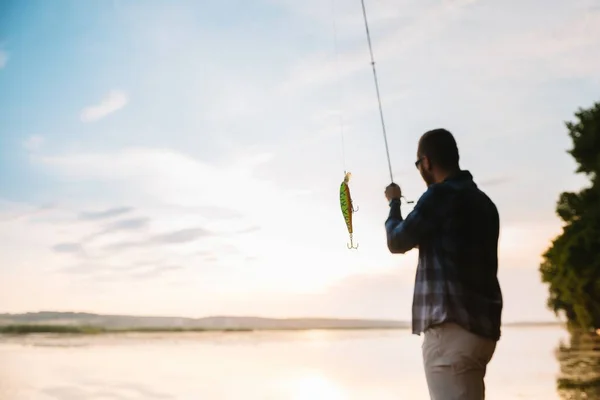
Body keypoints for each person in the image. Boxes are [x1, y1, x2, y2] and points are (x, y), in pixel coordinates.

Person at [384, 128, 503, 400]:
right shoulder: (485, 203)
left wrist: (393, 203)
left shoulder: (440, 196)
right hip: (482, 333)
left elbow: (397, 240)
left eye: (418, 164)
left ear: (426, 162)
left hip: (451, 331)